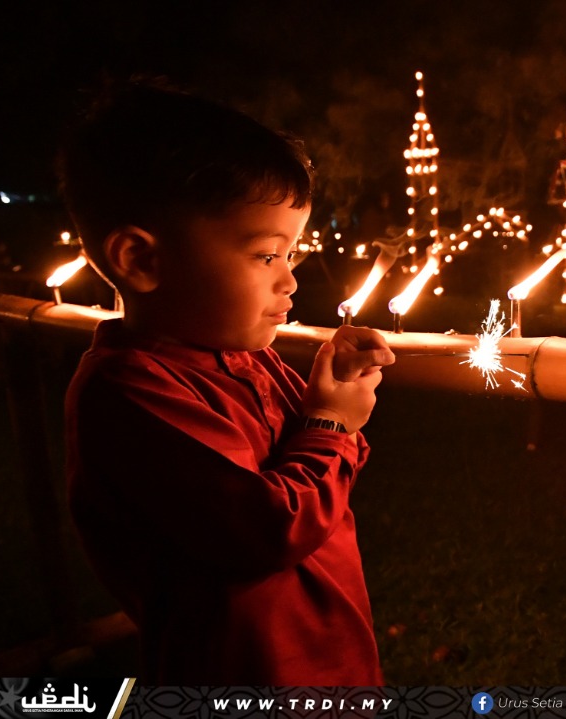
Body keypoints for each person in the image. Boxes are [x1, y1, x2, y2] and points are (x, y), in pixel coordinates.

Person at [57, 80, 395, 685]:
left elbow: (330, 470)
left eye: (292, 254)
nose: (289, 281)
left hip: (330, 663)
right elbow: (269, 529)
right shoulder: (131, 393)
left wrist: (338, 393)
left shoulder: (246, 358)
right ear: (141, 260)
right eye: (267, 255)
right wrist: (332, 422)